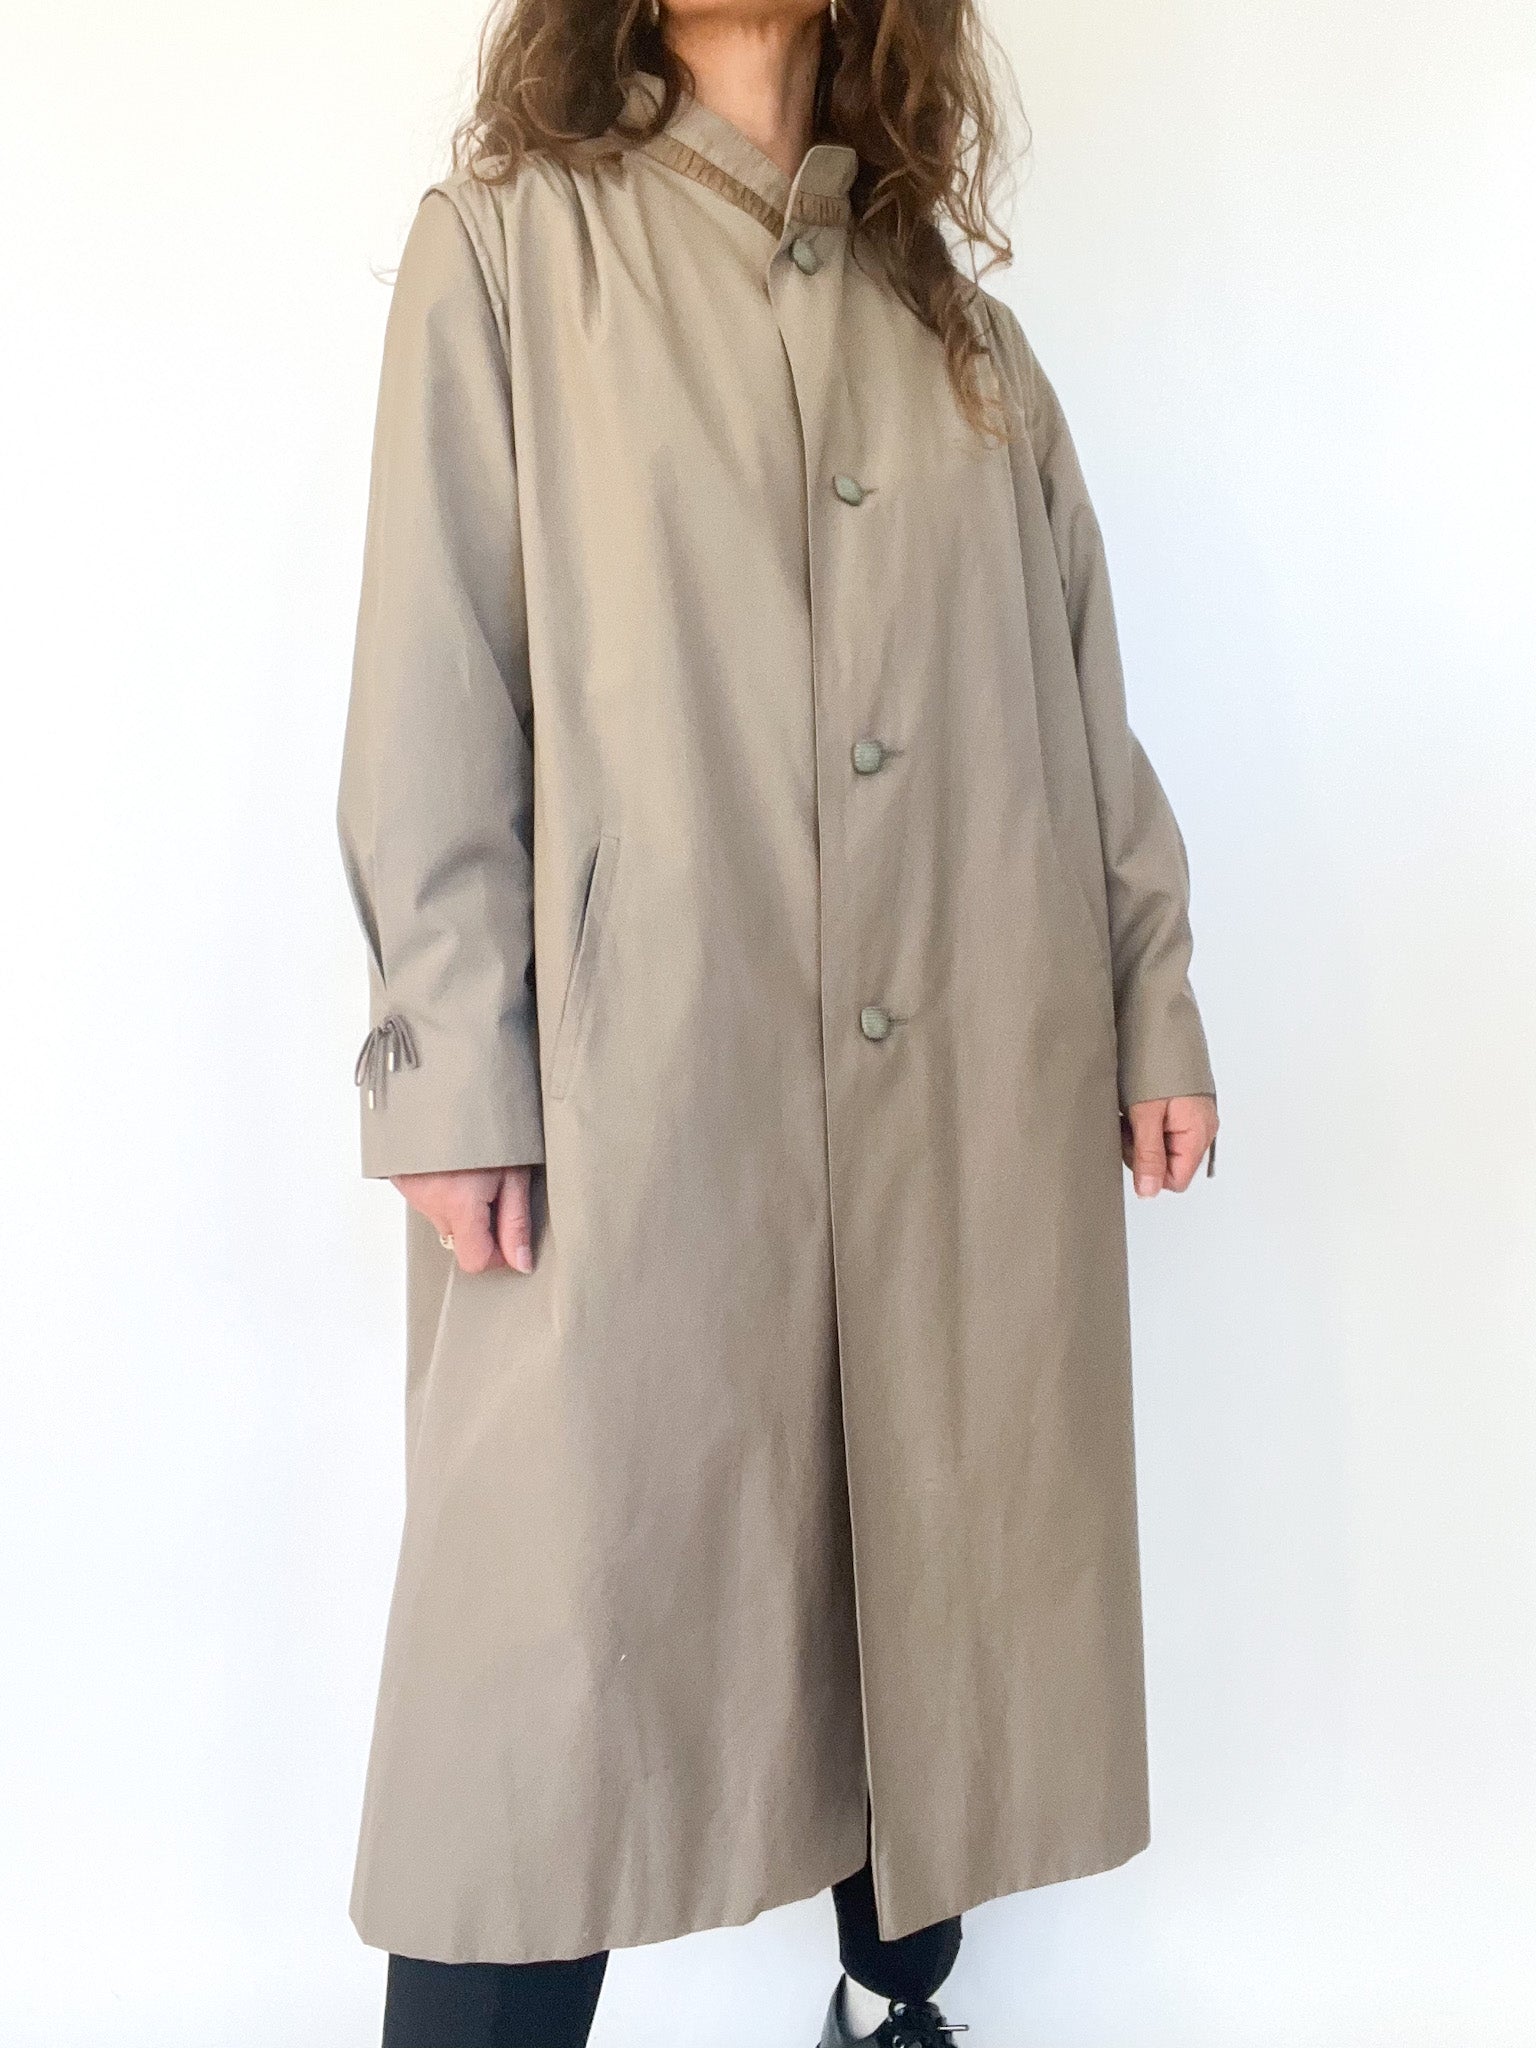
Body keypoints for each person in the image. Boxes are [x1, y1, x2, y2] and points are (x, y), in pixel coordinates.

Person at [337, 0, 1219, 2041]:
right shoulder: (510, 250)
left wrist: (1150, 992)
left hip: (963, 1067)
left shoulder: (962, 339)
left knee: (920, 1561)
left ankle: (891, 2009)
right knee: (531, 1682)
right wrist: (452, 1072)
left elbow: (1082, 698)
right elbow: (428, 682)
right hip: (641, 1092)